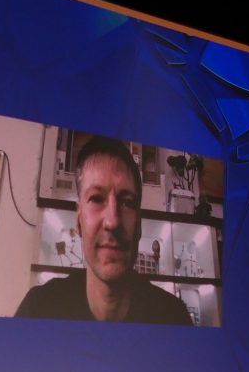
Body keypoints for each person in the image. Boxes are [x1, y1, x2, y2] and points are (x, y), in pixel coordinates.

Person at [15, 136, 192, 324]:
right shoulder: (38, 310)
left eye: (127, 202)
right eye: (97, 199)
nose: (113, 222)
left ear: (139, 224)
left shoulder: (174, 318)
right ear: (79, 221)